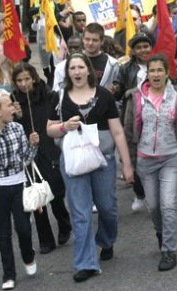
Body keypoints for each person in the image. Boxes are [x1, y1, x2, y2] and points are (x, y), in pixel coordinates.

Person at [46, 53, 133, 283]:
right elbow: (50, 130)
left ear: (88, 70)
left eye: (80, 67)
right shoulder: (60, 96)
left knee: (107, 208)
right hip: (74, 161)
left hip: (103, 159)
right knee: (81, 213)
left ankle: (106, 240)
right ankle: (86, 263)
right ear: (68, 72)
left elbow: (117, 131)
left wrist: (127, 165)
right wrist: (64, 126)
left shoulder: (104, 95)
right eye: (72, 68)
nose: (76, 71)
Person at [123, 54, 177, 271]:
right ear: (147, 73)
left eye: (159, 70)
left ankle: (169, 251)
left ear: (167, 74)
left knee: (167, 205)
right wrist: (128, 162)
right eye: (152, 70)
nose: (155, 74)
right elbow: (128, 131)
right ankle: (161, 231)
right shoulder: (135, 98)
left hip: (171, 159)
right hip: (145, 161)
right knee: (154, 206)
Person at [0, 91, 39, 290]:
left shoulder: (18, 128)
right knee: (3, 234)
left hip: (18, 185)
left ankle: (28, 256)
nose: (13, 108)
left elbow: (26, 159)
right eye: (8, 105)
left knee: (23, 228)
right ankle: (8, 274)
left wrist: (33, 144)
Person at [12, 63, 72, 254]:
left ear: (34, 78)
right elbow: (13, 130)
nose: (24, 84)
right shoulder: (13, 102)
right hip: (29, 154)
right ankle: (45, 239)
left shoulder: (50, 96)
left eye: (27, 79)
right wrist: (18, 117)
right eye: (19, 80)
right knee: (37, 197)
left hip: (50, 150)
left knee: (55, 194)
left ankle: (64, 223)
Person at [115, 32, 155, 212]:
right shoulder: (126, 68)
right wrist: (114, 89)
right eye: (138, 47)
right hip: (134, 119)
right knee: (136, 157)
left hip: (157, 117)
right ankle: (140, 193)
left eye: (146, 46)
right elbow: (119, 92)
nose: (143, 50)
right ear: (133, 50)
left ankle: (156, 195)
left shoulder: (159, 64)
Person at [53, 23, 120, 93]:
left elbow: (118, 90)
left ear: (102, 41)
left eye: (95, 40)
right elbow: (57, 90)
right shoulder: (65, 65)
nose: (90, 43)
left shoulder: (112, 64)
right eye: (87, 39)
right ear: (83, 39)